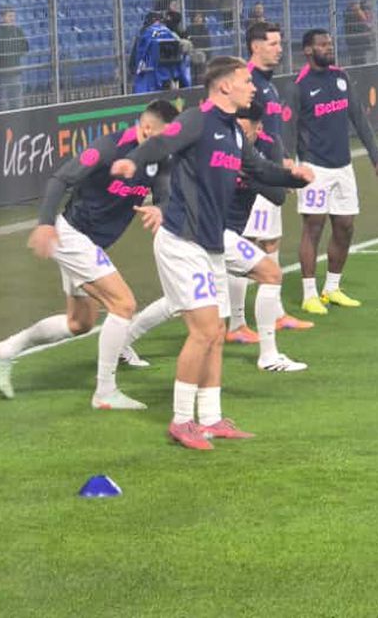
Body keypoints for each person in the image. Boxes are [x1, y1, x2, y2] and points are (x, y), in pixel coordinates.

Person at [111, 56, 314, 450]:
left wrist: (293, 177)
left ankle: (211, 417)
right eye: (245, 81)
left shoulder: (234, 132)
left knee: (217, 332)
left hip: (212, 245)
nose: (252, 87)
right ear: (224, 86)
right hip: (182, 242)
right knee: (204, 330)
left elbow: (258, 169)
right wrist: (131, 161)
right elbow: (161, 143)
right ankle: (181, 420)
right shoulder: (198, 120)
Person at [0, 100, 181, 409]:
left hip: (91, 244)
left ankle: (3, 351)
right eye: (165, 137)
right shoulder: (109, 147)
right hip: (73, 236)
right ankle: (105, 392)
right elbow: (61, 179)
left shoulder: (159, 158)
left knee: (79, 323)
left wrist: (160, 209)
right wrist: (45, 223)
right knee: (124, 304)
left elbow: (165, 196)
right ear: (146, 129)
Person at [124, 101, 310, 373]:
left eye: (246, 131)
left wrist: (256, 175)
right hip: (211, 234)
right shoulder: (214, 145)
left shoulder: (262, 147)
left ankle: (123, 341)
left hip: (221, 236)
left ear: (257, 129)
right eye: (238, 128)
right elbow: (182, 180)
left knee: (177, 303)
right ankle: (267, 356)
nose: (240, 135)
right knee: (269, 274)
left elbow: (277, 195)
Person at [226, 21, 312, 344]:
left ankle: (276, 314)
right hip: (254, 174)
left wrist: (284, 161)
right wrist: (264, 168)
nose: (280, 49)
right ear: (255, 46)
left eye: (280, 43)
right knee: (247, 242)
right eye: (273, 43)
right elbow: (242, 132)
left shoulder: (268, 84)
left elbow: (272, 133)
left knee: (271, 240)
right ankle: (236, 323)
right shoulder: (247, 82)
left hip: (270, 169)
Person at [293, 29, 378, 316]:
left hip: (343, 166)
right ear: (308, 50)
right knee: (314, 227)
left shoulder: (341, 77)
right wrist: (292, 166)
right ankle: (309, 294)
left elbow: (358, 116)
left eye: (330, 43)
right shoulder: (300, 85)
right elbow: (289, 127)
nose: (329, 47)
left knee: (345, 226)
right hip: (314, 168)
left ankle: (332, 288)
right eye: (323, 44)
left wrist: (375, 155)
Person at [0, 8, 29, 111]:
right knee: (2, 104)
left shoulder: (17, 30)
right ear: (2, 17)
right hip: (1, 73)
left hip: (15, 71)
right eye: (9, 16)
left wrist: (14, 50)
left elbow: (25, 47)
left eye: (13, 16)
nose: (12, 18)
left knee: (17, 102)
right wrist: (14, 49)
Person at [342, 0, 373, 65]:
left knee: (361, 59)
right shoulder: (350, 14)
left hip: (360, 41)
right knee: (356, 59)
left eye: (357, 4)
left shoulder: (361, 13)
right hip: (355, 41)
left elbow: (367, 24)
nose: (357, 6)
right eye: (355, 4)